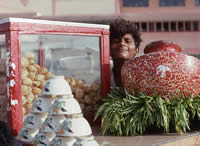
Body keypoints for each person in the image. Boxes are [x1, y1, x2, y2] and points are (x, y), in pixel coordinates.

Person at [110, 17, 142, 86]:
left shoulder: (146, 78)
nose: (122, 44)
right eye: (116, 41)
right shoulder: (100, 79)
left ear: (137, 50)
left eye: (127, 41)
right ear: (108, 49)